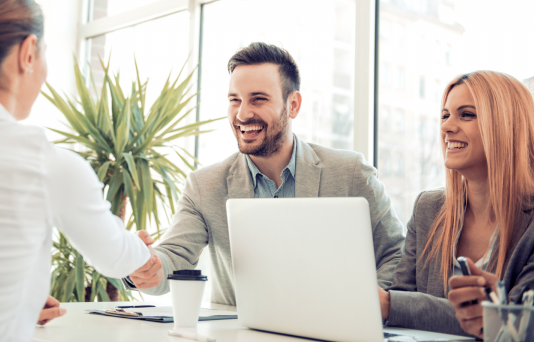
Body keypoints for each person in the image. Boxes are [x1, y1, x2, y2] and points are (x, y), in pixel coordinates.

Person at [0, 0, 154, 342]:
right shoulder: (46, 163)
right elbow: (117, 258)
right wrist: (138, 247)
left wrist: (8, 298)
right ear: (28, 52)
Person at [124, 42, 406, 306]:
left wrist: (363, 304)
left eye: (258, 99)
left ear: (293, 105)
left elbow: (396, 255)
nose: (242, 114)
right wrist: (145, 267)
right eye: (235, 100)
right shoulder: (204, 186)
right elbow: (173, 257)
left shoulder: (351, 173)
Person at [379, 71, 534, 338]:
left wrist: (390, 304)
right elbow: (400, 305)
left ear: (505, 125)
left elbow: (519, 325)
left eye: (466, 114)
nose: (446, 127)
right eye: (445, 116)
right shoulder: (428, 208)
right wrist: (393, 305)